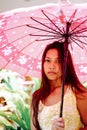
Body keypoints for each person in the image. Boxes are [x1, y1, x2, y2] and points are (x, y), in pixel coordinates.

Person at [30, 41, 87, 130]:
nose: (52, 66)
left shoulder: (77, 91)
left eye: (58, 61)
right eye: (48, 60)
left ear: (66, 64)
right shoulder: (37, 97)